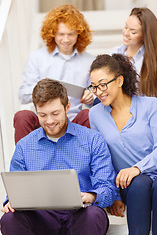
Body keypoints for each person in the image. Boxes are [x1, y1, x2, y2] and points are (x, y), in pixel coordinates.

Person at [0, 78, 118, 235]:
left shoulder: (92, 140)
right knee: (9, 219)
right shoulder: (24, 146)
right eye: (42, 115)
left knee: (93, 215)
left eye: (55, 113)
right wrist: (10, 202)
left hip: (80, 214)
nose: (49, 121)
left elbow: (108, 188)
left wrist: (91, 196)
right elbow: (15, 192)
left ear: (67, 107)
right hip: (40, 217)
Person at [88, 54, 157, 235]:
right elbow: (101, 158)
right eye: (94, 87)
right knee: (139, 183)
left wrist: (137, 168)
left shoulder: (150, 105)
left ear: (119, 80)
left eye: (103, 84)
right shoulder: (95, 114)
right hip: (129, 184)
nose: (98, 92)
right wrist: (114, 195)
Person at [14, 4, 95, 144]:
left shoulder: (89, 61)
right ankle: (25, 163)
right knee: (22, 116)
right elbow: (22, 96)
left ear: (79, 34)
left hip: (73, 122)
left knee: (89, 115)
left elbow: (98, 98)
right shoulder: (37, 57)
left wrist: (91, 97)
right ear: (53, 34)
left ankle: (85, 162)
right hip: (44, 122)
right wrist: (40, 87)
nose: (66, 39)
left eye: (71, 34)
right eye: (61, 34)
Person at [109, 7, 157, 103]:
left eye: (133, 32)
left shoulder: (149, 63)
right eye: (126, 27)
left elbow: (153, 102)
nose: (126, 33)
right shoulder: (113, 52)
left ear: (145, 35)